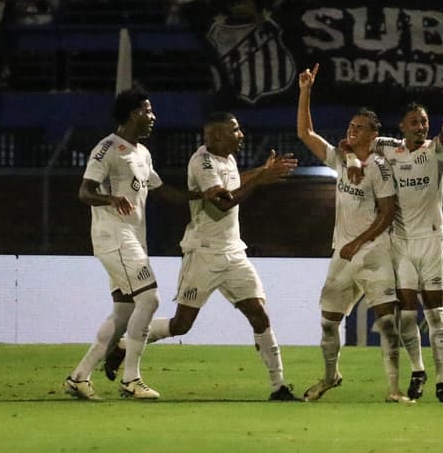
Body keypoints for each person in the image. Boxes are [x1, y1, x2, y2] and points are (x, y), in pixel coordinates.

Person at [104, 111, 302, 401]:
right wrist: (261, 178)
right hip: (203, 254)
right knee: (181, 324)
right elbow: (223, 202)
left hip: (234, 252)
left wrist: (260, 171)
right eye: (235, 130)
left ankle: (279, 386)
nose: (241, 134)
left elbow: (233, 183)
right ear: (216, 136)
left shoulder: (228, 158)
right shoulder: (202, 162)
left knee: (259, 313)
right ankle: (123, 344)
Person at [64, 89, 224, 401]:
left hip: (132, 238)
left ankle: (79, 377)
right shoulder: (107, 148)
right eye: (148, 111)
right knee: (149, 299)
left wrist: (203, 196)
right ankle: (131, 379)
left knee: (124, 313)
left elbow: (165, 192)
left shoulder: (142, 154)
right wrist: (110, 198)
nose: (153, 117)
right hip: (114, 237)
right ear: (134, 113)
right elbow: (85, 192)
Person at [345, 43, 443, 404]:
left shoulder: (436, 151)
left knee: (436, 312)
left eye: (424, 122)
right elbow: (351, 140)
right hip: (401, 242)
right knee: (408, 316)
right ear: (402, 126)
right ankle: (418, 370)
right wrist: (352, 158)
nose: (421, 126)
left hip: (430, 241)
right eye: (415, 122)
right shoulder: (389, 148)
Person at [296, 65, 408, 403]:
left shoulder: (380, 169)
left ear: (374, 135)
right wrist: (305, 91)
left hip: (374, 254)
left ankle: (393, 390)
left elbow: (388, 213)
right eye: (351, 126)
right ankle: (331, 376)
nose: (353, 131)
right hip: (341, 254)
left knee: (387, 324)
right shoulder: (341, 160)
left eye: (360, 128)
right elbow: (306, 133)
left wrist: (358, 241)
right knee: (329, 322)